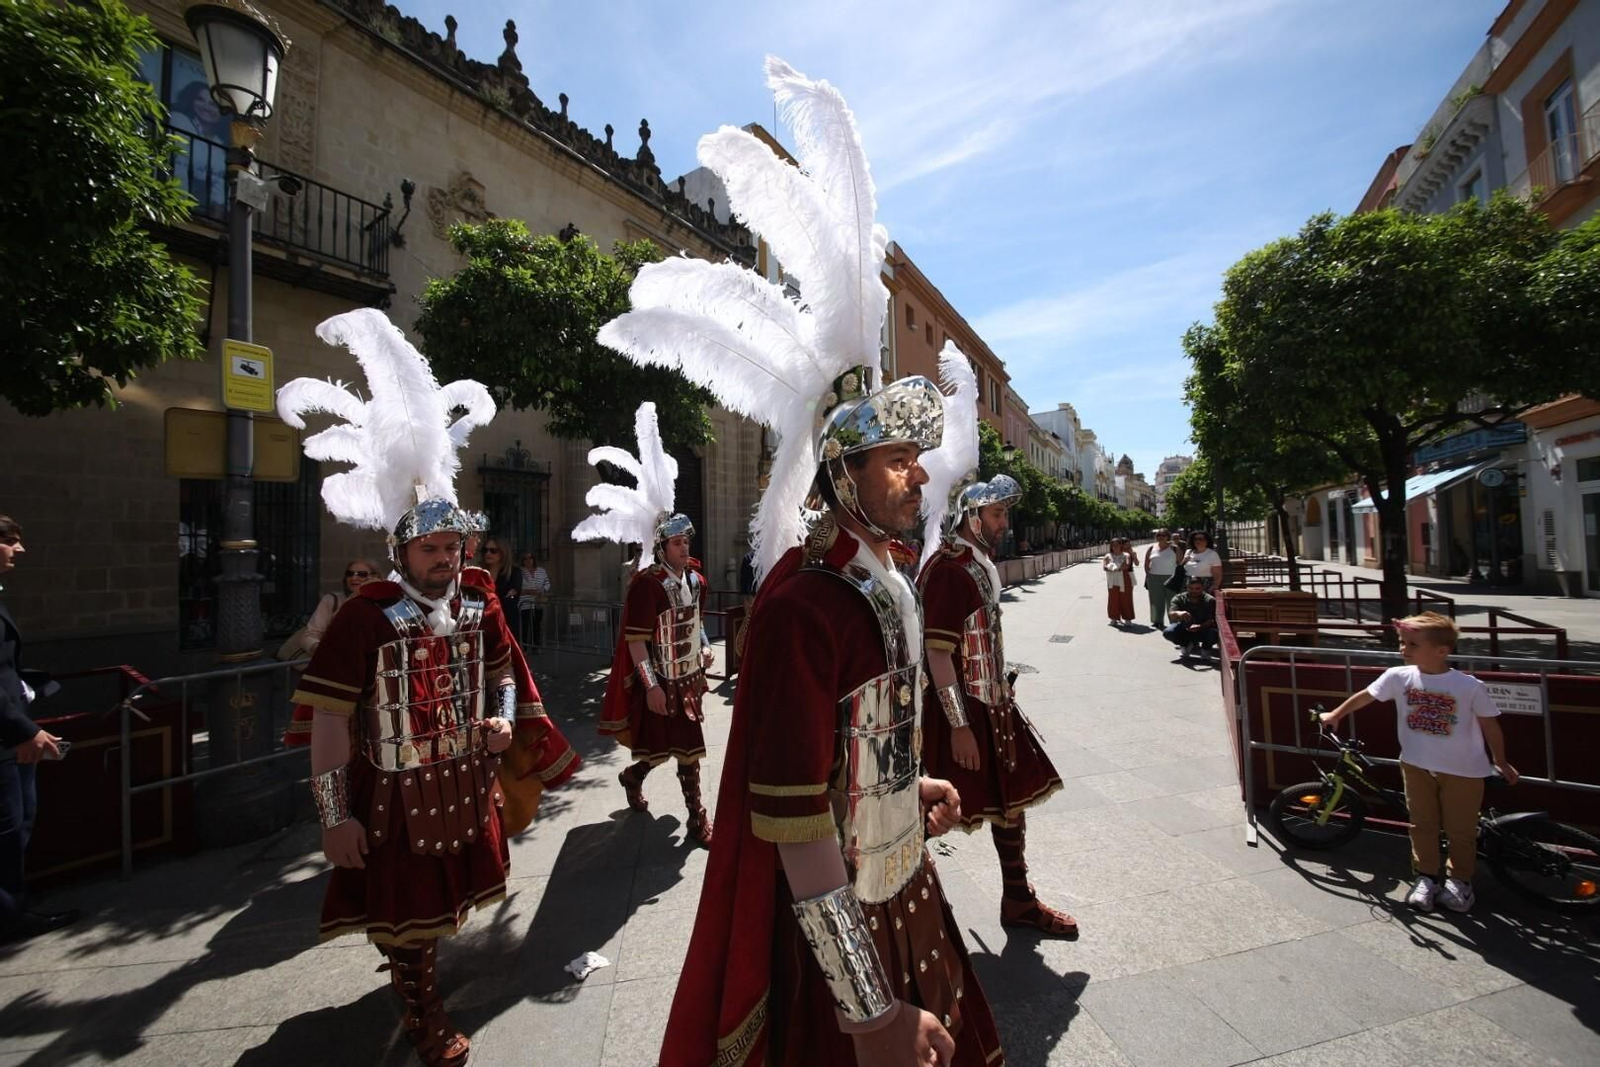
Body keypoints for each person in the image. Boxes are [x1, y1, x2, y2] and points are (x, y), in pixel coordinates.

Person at [599, 57, 1001, 1066]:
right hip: (835, 939)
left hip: (897, 878)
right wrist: (864, 1012)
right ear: (840, 473)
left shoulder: (884, 575)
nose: (916, 474)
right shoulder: (798, 604)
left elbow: (857, 756)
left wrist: (914, 799)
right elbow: (788, 816)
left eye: (915, 457)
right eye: (893, 459)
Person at [277, 309, 520, 1066]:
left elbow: (501, 672)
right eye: (432, 546)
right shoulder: (364, 617)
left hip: (460, 776)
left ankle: (414, 980)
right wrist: (332, 816)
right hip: (391, 794)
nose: (446, 556)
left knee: (436, 916)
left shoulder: (478, 601)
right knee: (410, 921)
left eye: (454, 544)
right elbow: (327, 725)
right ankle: (424, 1020)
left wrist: (502, 720)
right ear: (403, 550)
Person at [919, 472, 1075, 937]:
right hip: (961, 712)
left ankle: (1018, 899)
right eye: (997, 513)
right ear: (972, 516)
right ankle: (885, 904)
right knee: (928, 813)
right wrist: (959, 725)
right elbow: (937, 653)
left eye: (1004, 512)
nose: (1005, 523)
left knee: (1010, 803)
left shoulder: (976, 564)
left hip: (993, 704)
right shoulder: (950, 571)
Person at [574, 403, 715, 848]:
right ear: (661, 545)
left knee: (688, 751)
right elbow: (636, 644)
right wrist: (650, 686)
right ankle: (632, 777)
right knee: (656, 751)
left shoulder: (695, 577)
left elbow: (695, 622)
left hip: (689, 676)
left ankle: (698, 819)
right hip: (661, 679)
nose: (684, 545)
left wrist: (707, 645)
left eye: (686, 539)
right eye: (677, 540)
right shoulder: (646, 586)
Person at [1318, 612, 1518, 914]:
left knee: (1460, 829)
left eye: (1412, 643)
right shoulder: (1398, 676)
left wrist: (1501, 761)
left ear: (1442, 651)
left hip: (1462, 770)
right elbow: (1366, 696)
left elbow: (1491, 726)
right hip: (1415, 764)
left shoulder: (1468, 686)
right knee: (1421, 824)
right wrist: (1336, 714)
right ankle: (1426, 877)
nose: (1403, 649)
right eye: (1402, 642)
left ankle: (1460, 881)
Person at [0, 515, 79, 944]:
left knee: (18, 825)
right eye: (10, 542)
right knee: (9, 827)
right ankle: (10, 916)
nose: (20, 550)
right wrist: (23, 730)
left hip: (14, 730)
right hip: (9, 736)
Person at [299, 558, 383, 655]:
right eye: (349, 574)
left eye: (361, 574)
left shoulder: (383, 603)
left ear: (375, 577)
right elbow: (309, 635)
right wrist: (322, 650)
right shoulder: (331, 600)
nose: (354, 578)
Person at [1164, 577, 1218, 661]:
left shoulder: (1210, 600)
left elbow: (1212, 620)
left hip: (1204, 628)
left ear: (1203, 588)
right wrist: (1179, 613)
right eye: (1191, 588)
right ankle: (1185, 644)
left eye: (1197, 588)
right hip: (1185, 628)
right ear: (1186, 587)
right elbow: (1171, 614)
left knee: (1214, 633)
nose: (1194, 591)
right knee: (1168, 632)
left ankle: (1206, 649)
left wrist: (1200, 626)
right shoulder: (1179, 598)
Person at [1144, 529, 1181, 628]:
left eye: (1164, 535)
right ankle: (1157, 620)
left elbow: (1180, 563)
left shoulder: (1174, 548)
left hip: (1171, 577)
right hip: (1154, 577)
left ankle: (1174, 621)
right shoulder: (1152, 548)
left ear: (1168, 536)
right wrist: (1148, 575)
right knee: (1156, 600)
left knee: (1172, 600)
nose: (1161, 537)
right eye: (1159, 535)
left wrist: (1178, 577)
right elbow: (1147, 562)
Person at [479, 536, 521, 618]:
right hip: (483, 620)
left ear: (503, 552)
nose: (488, 553)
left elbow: (510, 600)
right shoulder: (480, 572)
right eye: (485, 550)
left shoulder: (514, 572)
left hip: (506, 620)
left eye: (493, 551)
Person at [517, 552, 550, 649]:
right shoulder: (520, 572)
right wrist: (528, 591)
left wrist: (542, 591)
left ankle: (536, 646)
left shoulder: (541, 571)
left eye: (530, 558)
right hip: (525, 603)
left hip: (538, 602)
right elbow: (517, 587)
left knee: (537, 625)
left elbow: (547, 583)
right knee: (525, 626)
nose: (528, 561)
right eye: (525, 558)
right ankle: (525, 647)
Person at [1102, 536, 1136, 626]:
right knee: (1113, 599)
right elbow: (1104, 566)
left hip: (1124, 578)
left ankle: (1128, 619)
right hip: (1112, 579)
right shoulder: (1108, 555)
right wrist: (1109, 568)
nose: (1115, 546)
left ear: (1121, 545)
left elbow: (1127, 564)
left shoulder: (1126, 555)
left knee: (1126, 598)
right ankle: (1114, 618)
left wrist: (1119, 568)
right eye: (1113, 545)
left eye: (1117, 544)